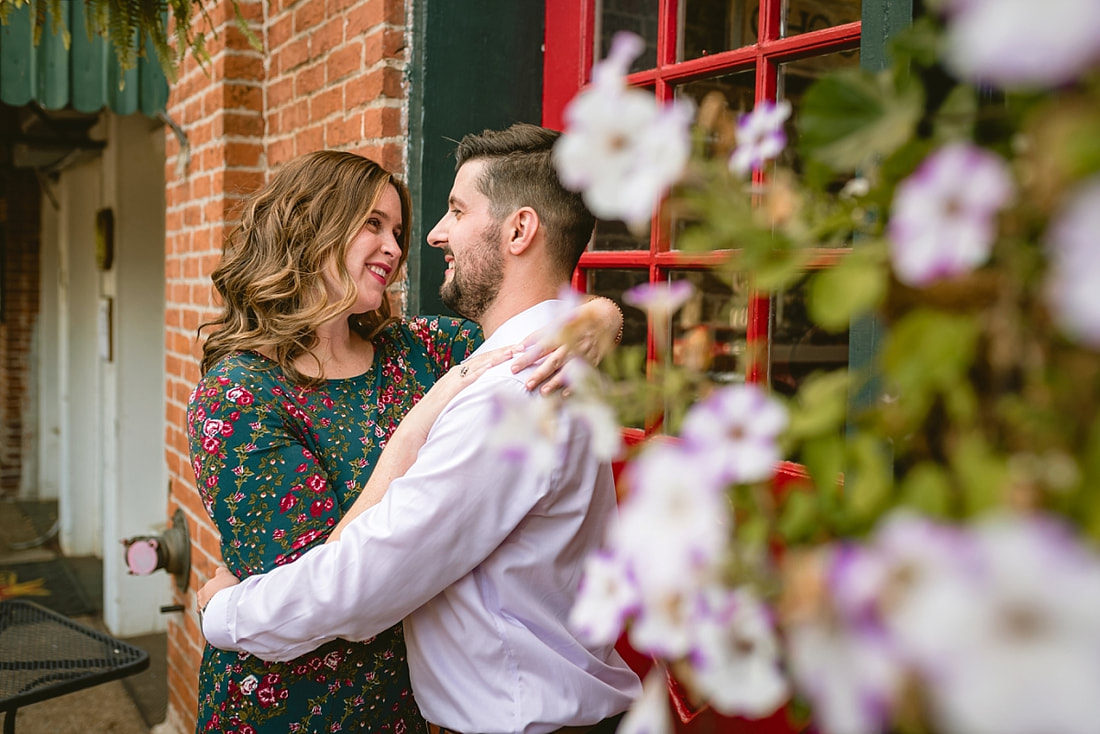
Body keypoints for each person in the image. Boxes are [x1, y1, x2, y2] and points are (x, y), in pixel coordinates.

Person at [198, 124, 643, 733]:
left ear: (518, 229)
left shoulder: (416, 350)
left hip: (405, 706)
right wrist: (408, 437)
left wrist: (601, 315)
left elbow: (526, 332)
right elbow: (312, 576)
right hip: (296, 704)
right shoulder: (242, 392)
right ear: (310, 229)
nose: (408, 244)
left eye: (401, 229)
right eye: (372, 224)